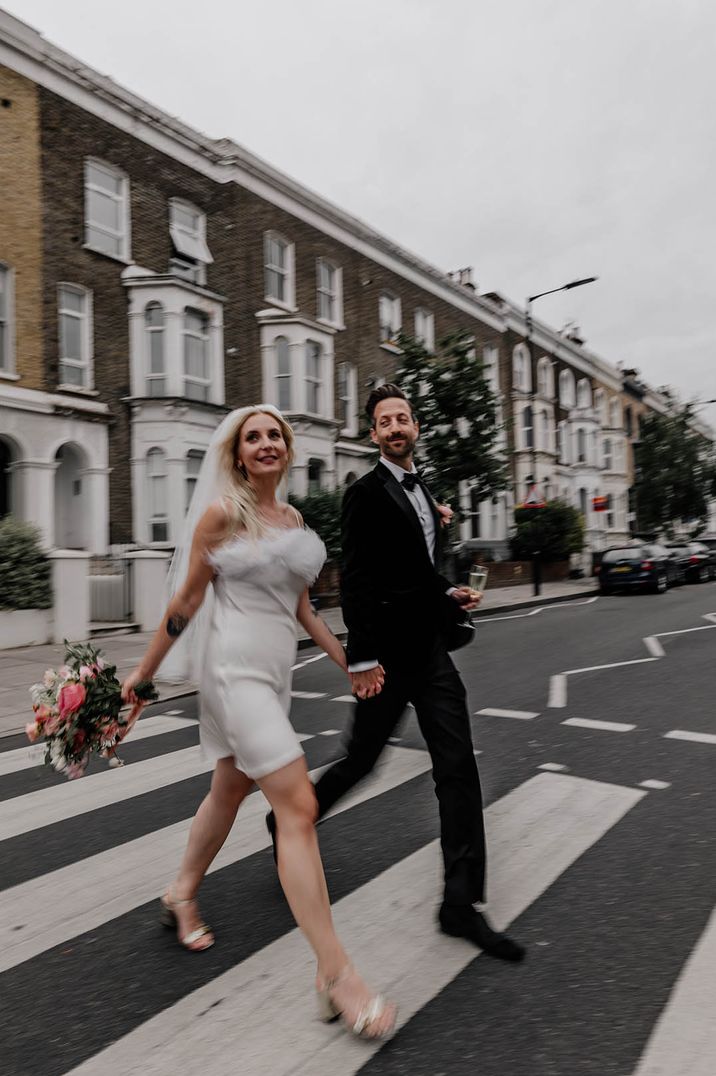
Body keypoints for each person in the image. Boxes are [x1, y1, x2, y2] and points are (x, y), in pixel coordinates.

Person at [121, 404, 396, 1040]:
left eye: (275, 435)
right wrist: (144, 677)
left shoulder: (294, 520)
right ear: (238, 454)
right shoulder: (222, 515)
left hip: (274, 676)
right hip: (230, 672)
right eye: (254, 437)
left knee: (230, 786)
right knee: (297, 806)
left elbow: (301, 609)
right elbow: (185, 601)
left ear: (286, 449)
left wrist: (351, 659)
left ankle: (180, 892)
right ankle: (335, 974)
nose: (267, 443)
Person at [270, 385, 524, 963]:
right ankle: (286, 821)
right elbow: (358, 582)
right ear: (373, 434)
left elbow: (416, 570)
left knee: (457, 767)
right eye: (383, 421)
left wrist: (447, 592)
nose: (394, 427)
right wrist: (360, 660)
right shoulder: (363, 494)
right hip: (386, 659)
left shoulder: (425, 488)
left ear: (414, 426)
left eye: (402, 418)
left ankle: (460, 903)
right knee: (361, 760)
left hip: (431, 655)